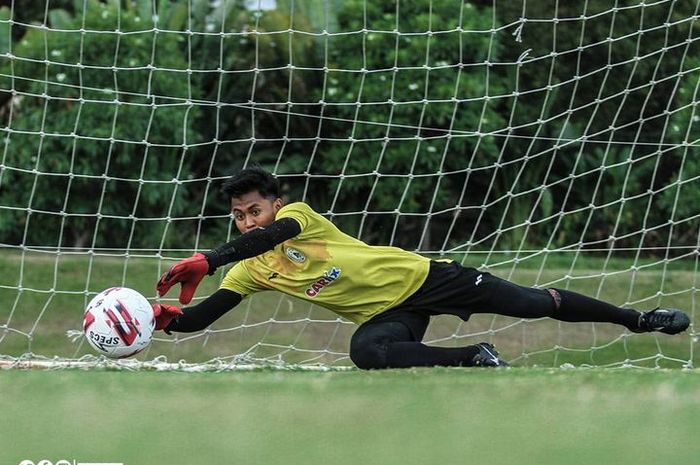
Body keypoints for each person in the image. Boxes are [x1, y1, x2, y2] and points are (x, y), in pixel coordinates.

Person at [152, 167, 691, 369]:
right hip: (392, 311)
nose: (249, 223)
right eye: (239, 215)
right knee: (366, 351)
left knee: (531, 305)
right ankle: (473, 359)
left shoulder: (297, 218)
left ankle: (638, 319)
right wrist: (158, 318)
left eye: (254, 210)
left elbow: (273, 237)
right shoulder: (248, 271)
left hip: (427, 277)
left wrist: (206, 258)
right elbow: (200, 321)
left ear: (274, 203)